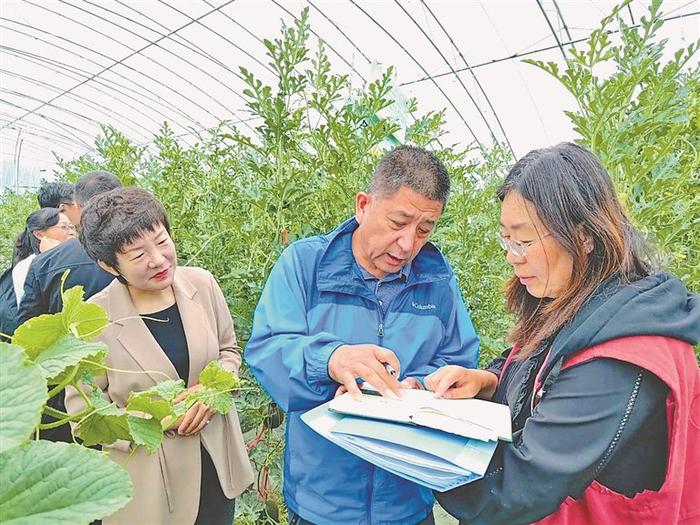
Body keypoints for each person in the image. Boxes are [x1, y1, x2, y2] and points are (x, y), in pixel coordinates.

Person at [425, 142, 699, 525]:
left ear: (585, 236)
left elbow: (517, 490)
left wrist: (414, 448)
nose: (512, 255)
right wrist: (486, 381)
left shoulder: (621, 356)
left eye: (524, 239)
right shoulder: (580, 306)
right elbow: (534, 365)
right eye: (506, 239)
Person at [245, 145, 480, 524]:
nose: (408, 244)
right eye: (397, 222)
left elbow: (459, 359)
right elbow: (269, 349)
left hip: (406, 499)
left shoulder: (437, 280)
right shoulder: (306, 265)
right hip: (323, 502)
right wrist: (331, 360)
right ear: (363, 205)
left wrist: (419, 387)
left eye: (424, 229)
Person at [65, 187, 254, 525]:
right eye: (138, 255)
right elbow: (85, 417)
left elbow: (229, 351)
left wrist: (213, 391)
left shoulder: (202, 284)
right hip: (150, 484)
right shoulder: (92, 319)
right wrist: (156, 418)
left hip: (215, 467)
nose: (159, 259)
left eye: (162, 241)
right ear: (109, 265)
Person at [14, 170, 121, 443]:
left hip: (70, 384)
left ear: (78, 208)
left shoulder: (45, 263)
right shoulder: (139, 252)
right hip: (129, 378)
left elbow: (28, 331)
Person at [17, 171, 121, 325]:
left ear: (78, 206)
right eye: (63, 227)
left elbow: (28, 327)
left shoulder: (44, 262)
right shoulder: (147, 247)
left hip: (77, 345)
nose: (70, 230)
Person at [11, 208, 76, 305]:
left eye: (72, 227)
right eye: (64, 227)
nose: (72, 232)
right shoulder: (24, 267)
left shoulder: (79, 256)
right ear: (39, 234)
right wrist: (53, 257)